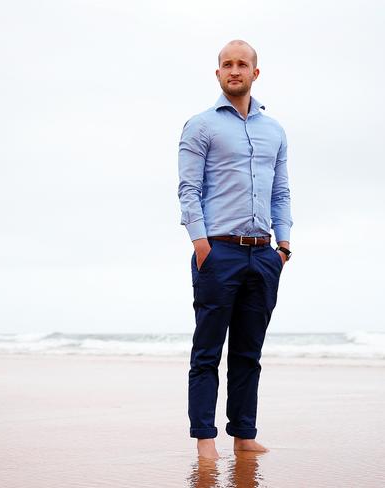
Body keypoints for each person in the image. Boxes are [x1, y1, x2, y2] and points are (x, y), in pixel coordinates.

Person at [177, 40, 293, 459]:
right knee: (207, 351)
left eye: (242, 64)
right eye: (227, 64)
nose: (234, 70)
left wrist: (283, 245)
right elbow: (188, 189)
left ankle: (243, 435)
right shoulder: (201, 125)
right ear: (218, 74)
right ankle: (205, 441)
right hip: (218, 252)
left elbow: (281, 191)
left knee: (248, 353)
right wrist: (201, 243)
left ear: (255, 73)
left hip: (263, 255)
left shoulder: (274, 130)